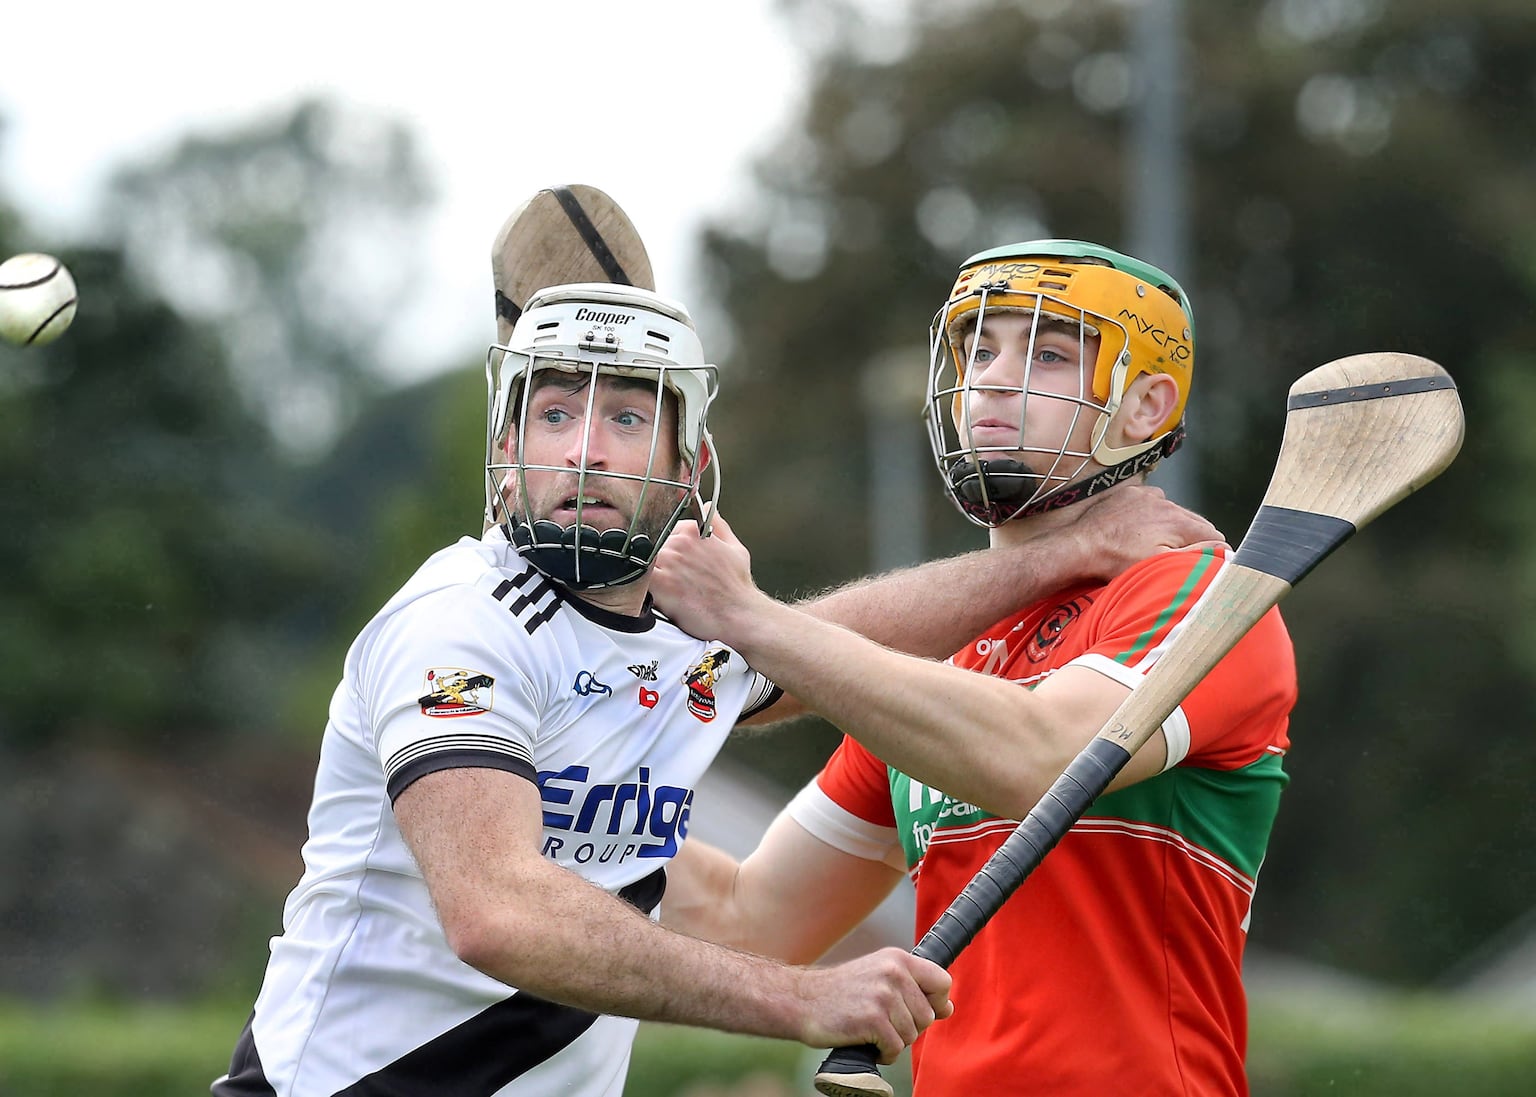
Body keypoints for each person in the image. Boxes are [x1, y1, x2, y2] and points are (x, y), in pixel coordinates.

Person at [212, 276, 1220, 1097]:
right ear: (507, 457)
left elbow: (818, 643)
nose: (585, 448)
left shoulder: (670, 644)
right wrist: (801, 1000)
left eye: (623, 417)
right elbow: (498, 912)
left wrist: (1053, 560)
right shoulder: (458, 622)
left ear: (688, 464)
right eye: (553, 413)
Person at [651, 240, 1298, 1096]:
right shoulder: (936, 682)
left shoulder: (1203, 597)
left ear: (1146, 407)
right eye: (980, 348)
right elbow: (744, 924)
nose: (992, 378)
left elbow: (1037, 757)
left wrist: (748, 617)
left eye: (1050, 354)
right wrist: (514, 788)